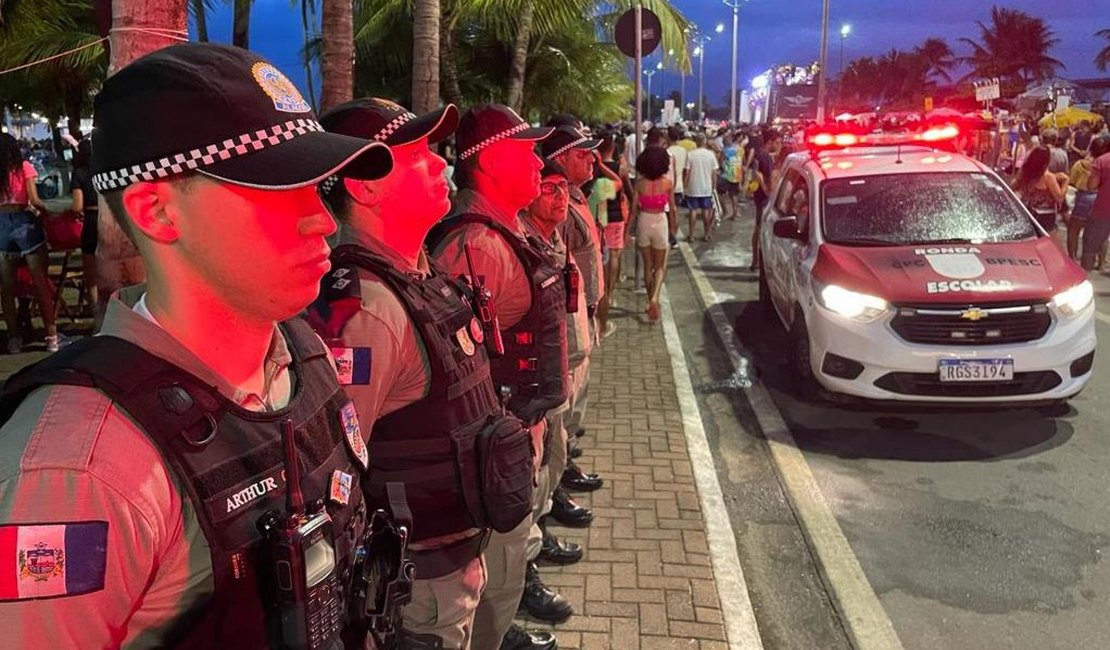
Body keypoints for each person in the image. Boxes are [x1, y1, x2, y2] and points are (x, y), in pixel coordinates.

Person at [0, 43, 398, 648]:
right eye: (278, 188)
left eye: (318, 187)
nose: (323, 219)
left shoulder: (298, 349)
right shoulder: (80, 469)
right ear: (157, 212)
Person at [308, 98, 536, 649]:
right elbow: (335, 471)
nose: (441, 164)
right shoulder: (364, 309)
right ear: (365, 187)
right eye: (418, 155)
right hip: (419, 578)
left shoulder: (421, 274)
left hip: (456, 548)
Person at [426, 104, 563, 650]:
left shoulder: (507, 231)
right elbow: (459, 366)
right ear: (488, 161)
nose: (537, 160)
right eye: (525, 149)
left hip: (512, 433)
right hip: (490, 449)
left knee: (502, 577)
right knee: (491, 582)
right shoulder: (474, 245)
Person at [0, 133, 60, 353]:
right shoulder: (24, 167)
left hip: (1, 226)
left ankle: (14, 338)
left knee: (7, 287)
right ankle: (51, 337)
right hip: (25, 224)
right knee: (40, 282)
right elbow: (34, 201)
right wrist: (50, 212)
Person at [633, 146, 678, 323]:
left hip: (643, 221)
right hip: (660, 221)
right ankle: (655, 298)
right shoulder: (667, 183)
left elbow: (633, 210)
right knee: (660, 267)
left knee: (647, 266)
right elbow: (672, 208)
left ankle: (649, 297)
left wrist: (629, 230)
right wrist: (674, 228)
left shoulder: (639, 184)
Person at [1013, 146, 1068, 247]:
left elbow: (1013, 186)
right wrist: (1065, 182)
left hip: (1027, 213)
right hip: (1045, 218)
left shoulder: (1024, 172)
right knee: (1054, 249)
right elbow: (1059, 198)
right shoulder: (1048, 177)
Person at [69, 138, 100, 318]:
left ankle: (96, 315)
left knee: (92, 276)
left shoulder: (79, 173)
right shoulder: (104, 170)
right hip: (109, 220)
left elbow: (77, 206)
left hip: (90, 221)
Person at [1066, 137, 1106, 261]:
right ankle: (1100, 261)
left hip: (1083, 197)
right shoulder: (1105, 164)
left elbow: (1071, 181)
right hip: (1100, 198)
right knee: (1101, 233)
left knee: (1074, 230)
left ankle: (1072, 258)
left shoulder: (1080, 164)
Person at [683, 133, 718, 242]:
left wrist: (684, 185)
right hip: (706, 187)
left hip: (693, 187)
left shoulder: (690, 154)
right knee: (705, 211)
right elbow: (714, 173)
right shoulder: (711, 155)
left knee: (692, 211)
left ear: (696, 142)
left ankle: (691, 235)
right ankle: (706, 234)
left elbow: (687, 173)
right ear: (705, 142)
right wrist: (714, 187)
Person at [1083, 137, 1110, 270]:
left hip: (1103, 210)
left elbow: (1091, 185)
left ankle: (1084, 281)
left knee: (1090, 249)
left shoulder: (1102, 161)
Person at [749, 134, 774, 272]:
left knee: (758, 228)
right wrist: (767, 189)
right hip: (764, 197)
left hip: (757, 195)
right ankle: (759, 260)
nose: (779, 143)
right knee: (762, 230)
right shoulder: (766, 157)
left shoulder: (758, 155)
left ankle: (755, 260)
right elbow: (769, 179)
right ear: (769, 142)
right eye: (777, 141)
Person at [719, 134, 743, 220]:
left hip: (726, 175)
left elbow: (721, 162)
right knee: (734, 195)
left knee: (720, 194)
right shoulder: (739, 150)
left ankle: (725, 211)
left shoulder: (724, 151)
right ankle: (735, 213)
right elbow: (741, 162)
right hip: (737, 175)